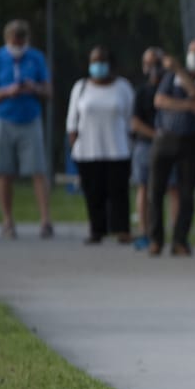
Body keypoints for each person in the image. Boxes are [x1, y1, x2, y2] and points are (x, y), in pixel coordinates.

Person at [0, 19, 53, 239]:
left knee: (38, 171)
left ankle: (45, 221)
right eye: (15, 41)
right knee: (4, 172)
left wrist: (34, 87)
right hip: (3, 119)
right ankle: (7, 220)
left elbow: (48, 91)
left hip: (30, 119)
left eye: (22, 41)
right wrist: (6, 92)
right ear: (7, 40)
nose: (18, 45)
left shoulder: (36, 58)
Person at [65, 46, 134, 245]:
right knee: (93, 192)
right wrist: (74, 145)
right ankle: (97, 229)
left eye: (102, 61)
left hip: (117, 149)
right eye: (94, 61)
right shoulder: (81, 87)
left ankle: (121, 229)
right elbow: (72, 121)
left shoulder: (123, 87)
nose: (98, 65)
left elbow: (130, 118)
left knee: (118, 191)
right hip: (88, 149)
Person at [149, 40, 195, 256]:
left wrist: (179, 70)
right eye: (192, 52)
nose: (194, 56)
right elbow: (160, 101)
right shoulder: (170, 78)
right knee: (156, 191)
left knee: (186, 193)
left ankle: (179, 240)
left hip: (191, 141)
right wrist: (186, 104)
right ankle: (155, 239)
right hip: (165, 138)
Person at [130, 47, 168, 248]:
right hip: (145, 145)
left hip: (169, 146)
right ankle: (145, 232)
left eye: (158, 63)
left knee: (172, 188)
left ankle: (171, 234)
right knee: (144, 187)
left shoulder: (171, 88)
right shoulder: (142, 92)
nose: (154, 68)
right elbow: (134, 123)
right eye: (150, 64)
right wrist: (156, 135)